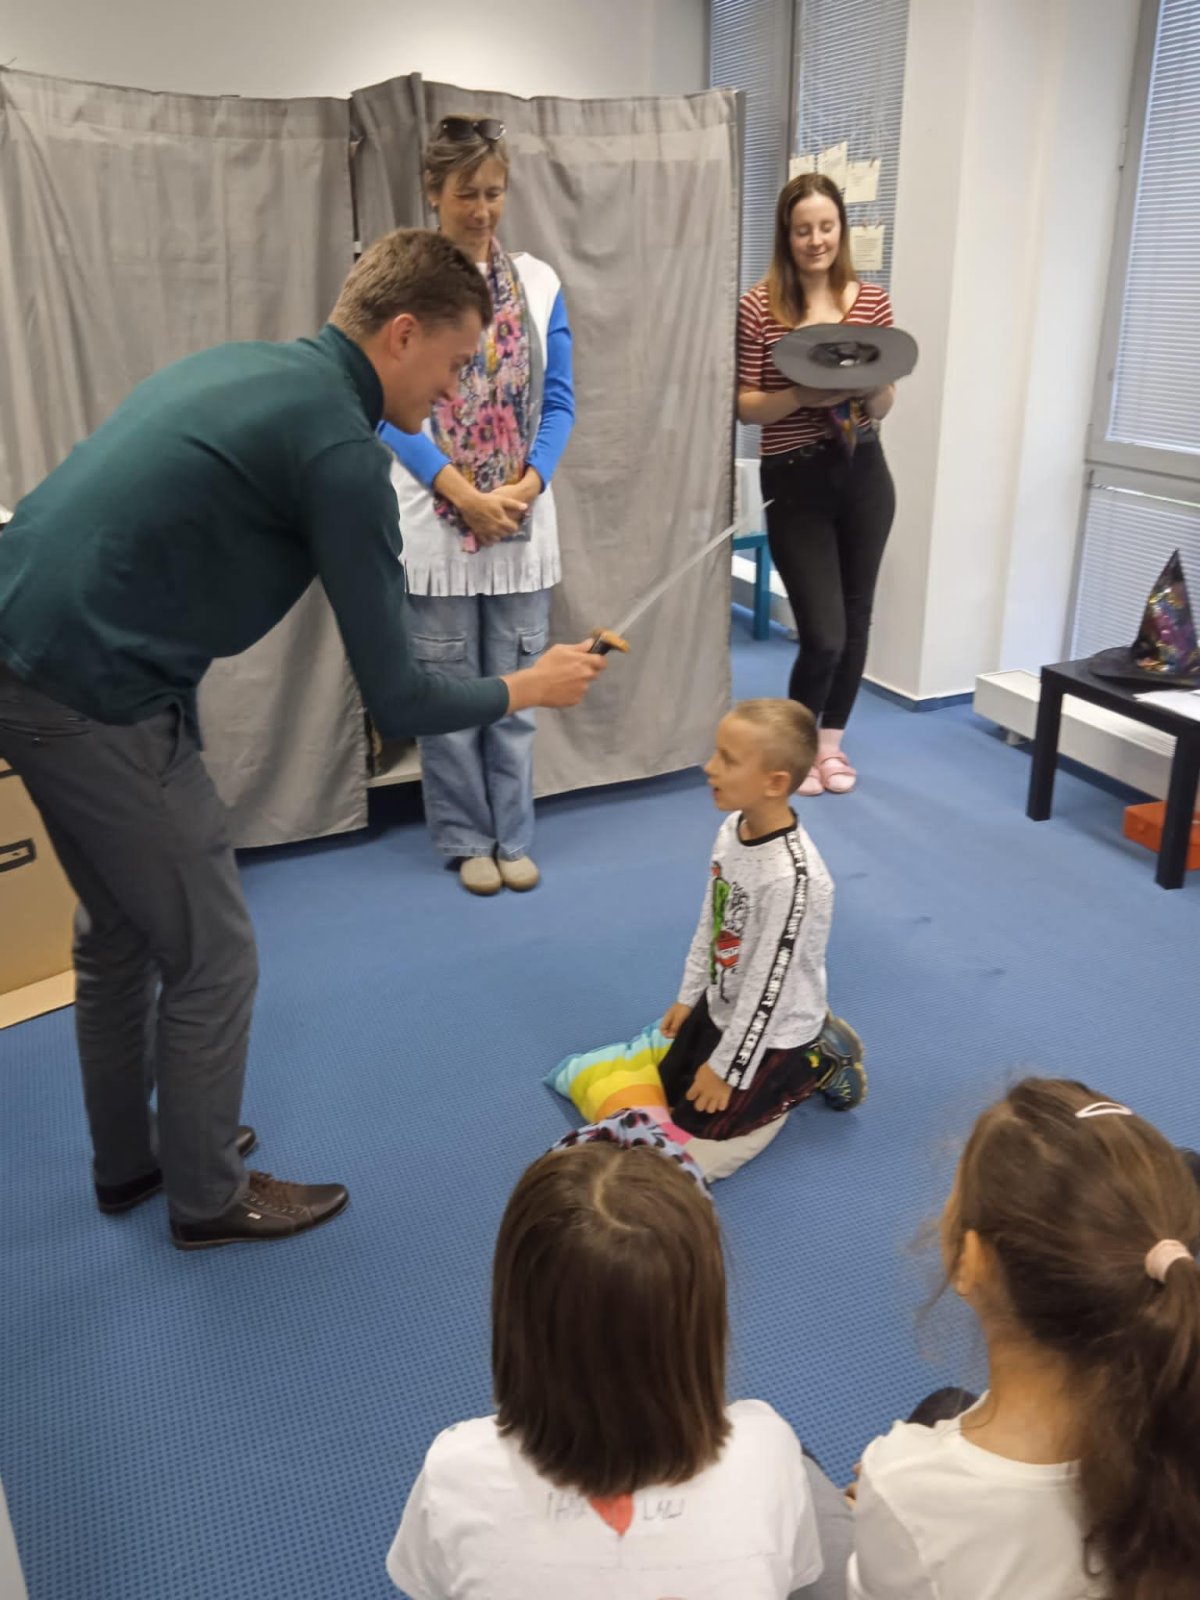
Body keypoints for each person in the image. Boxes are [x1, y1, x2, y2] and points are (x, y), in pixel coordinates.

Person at [0, 228, 606, 1251]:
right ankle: (206, 1193)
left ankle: (137, 1160)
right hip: (91, 688)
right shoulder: (339, 451)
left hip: (31, 650)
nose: (454, 392)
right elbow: (400, 697)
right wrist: (527, 685)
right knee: (214, 953)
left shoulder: (259, 367)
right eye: (454, 362)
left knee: (121, 931)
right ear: (402, 333)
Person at [386, 1137, 825, 1598]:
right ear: (701, 1320)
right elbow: (796, 1573)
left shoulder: (454, 1470)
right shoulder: (768, 1449)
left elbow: (430, 1584)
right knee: (804, 1474)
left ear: (515, 1308)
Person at [848, 1079, 1200, 1600]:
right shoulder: (1179, 1419)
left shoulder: (904, 1481)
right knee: (944, 1404)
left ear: (970, 1260)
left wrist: (885, 1507)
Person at [380, 116, 573, 897]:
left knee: (518, 695)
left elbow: (559, 401)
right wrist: (459, 490)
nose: (483, 210)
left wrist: (525, 486)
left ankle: (513, 834)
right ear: (433, 191)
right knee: (450, 696)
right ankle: (466, 839)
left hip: (520, 522)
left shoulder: (540, 283)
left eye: (495, 192)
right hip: (437, 521)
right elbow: (384, 404)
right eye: (467, 193)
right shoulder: (398, 283)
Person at [737, 173, 898, 796]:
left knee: (856, 620)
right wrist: (801, 395)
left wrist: (869, 387)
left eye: (826, 227)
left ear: (841, 230)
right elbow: (746, 406)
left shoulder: (871, 302)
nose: (815, 240)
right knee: (824, 632)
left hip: (864, 471)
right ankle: (800, 750)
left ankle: (831, 746)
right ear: (787, 234)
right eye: (803, 229)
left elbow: (884, 403)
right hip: (795, 475)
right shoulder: (760, 307)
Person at [657, 698, 866, 1180]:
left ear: (774, 783)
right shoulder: (731, 829)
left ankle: (815, 1063)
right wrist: (690, 996)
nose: (709, 767)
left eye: (728, 760)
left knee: (710, 1129)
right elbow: (712, 920)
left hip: (776, 1022)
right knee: (672, 1092)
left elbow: (770, 991)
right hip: (728, 1001)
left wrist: (728, 1069)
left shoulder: (792, 881)